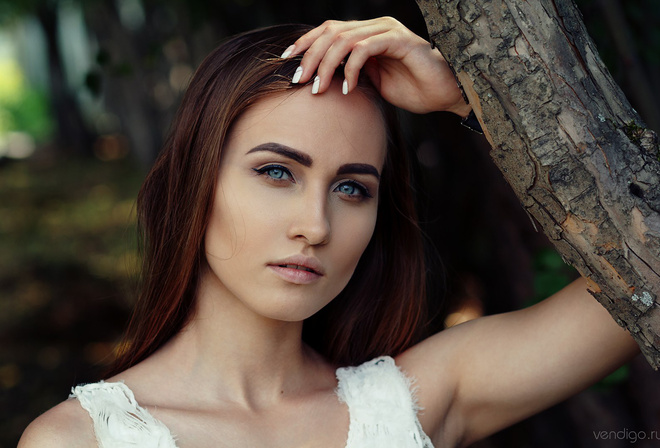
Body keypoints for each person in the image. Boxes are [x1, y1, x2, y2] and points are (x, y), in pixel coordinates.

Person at [18, 17, 638, 448]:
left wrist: (469, 101)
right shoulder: (79, 438)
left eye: (352, 189)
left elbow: (648, 267)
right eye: (276, 172)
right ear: (197, 184)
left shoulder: (410, 406)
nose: (315, 226)